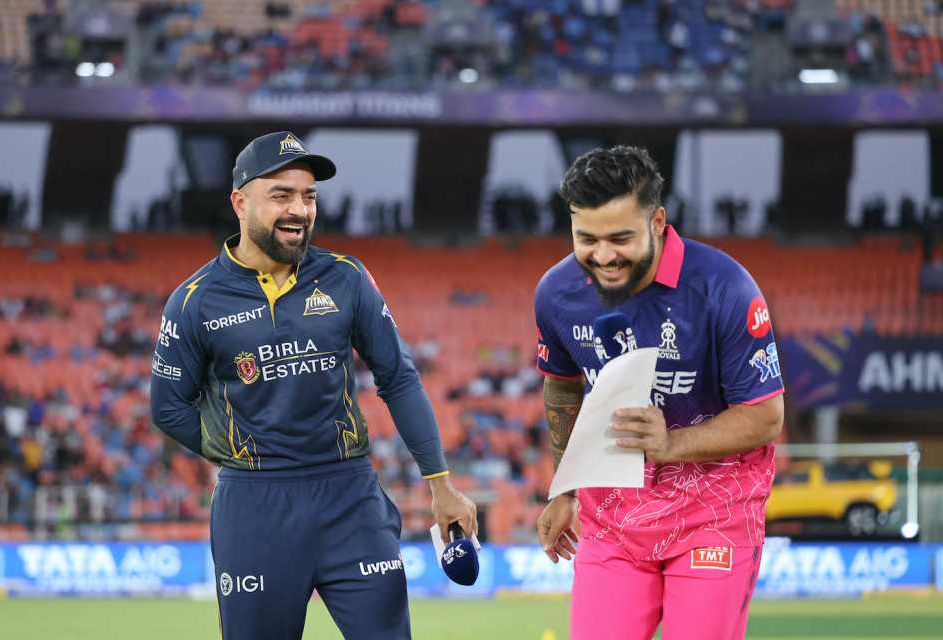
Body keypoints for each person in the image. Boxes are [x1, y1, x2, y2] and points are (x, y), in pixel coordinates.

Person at [150, 131, 477, 639]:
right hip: (254, 507)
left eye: (308, 197)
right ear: (239, 202)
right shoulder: (194, 301)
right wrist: (246, 453)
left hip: (349, 496)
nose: (298, 210)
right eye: (281, 195)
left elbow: (398, 377)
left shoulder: (346, 277)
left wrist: (441, 484)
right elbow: (168, 407)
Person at [534, 145, 784, 640]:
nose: (602, 256)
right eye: (586, 238)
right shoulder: (557, 293)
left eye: (620, 238)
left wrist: (671, 443)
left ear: (658, 221)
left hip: (714, 515)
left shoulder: (724, 288)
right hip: (611, 520)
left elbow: (765, 417)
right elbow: (562, 386)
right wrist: (564, 488)